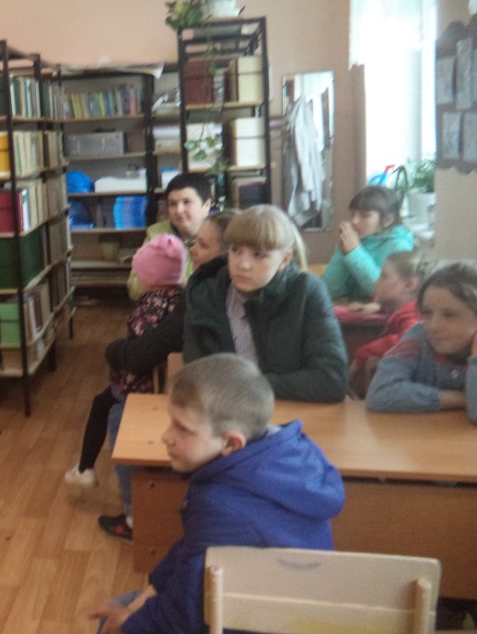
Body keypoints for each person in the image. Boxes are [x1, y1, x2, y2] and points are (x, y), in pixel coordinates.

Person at [59, 354, 345, 634]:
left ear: (231, 443)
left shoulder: (223, 503)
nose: (166, 436)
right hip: (263, 633)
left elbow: (187, 617)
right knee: (122, 610)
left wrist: (129, 621)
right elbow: (191, 552)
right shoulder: (275, 454)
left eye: (182, 429)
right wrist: (147, 597)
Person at [87, 212, 239, 542]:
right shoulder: (192, 291)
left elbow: (146, 351)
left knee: (119, 414)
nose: (193, 251)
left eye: (202, 245)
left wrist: (113, 351)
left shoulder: (199, 294)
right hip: (200, 386)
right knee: (111, 405)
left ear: (231, 253)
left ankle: (136, 516)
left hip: (206, 395)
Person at [183, 204, 348, 403]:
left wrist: (249, 386)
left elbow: (331, 380)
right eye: (235, 250)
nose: (243, 264)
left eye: (258, 255)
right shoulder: (204, 295)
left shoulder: (307, 291)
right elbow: (196, 379)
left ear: (284, 260)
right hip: (224, 412)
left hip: (292, 411)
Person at [64, 233, 190, 489]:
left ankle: (86, 470)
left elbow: (141, 353)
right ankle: (85, 468)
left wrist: (117, 357)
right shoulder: (178, 299)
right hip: (162, 379)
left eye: (137, 273)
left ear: (150, 278)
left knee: (103, 406)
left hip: (142, 383)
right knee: (101, 403)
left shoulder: (151, 306)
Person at [366, 261, 477, 421]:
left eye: (449, 315)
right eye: (427, 313)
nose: (433, 326)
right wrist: (461, 398)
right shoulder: (418, 337)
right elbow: (380, 394)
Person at [346, 251, 430, 397]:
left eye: (384, 276)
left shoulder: (413, 313)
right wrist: (379, 306)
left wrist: (364, 352)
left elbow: (408, 340)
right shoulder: (406, 309)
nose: (376, 282)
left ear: (409, 285)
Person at [126, 172, 213, 300]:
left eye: (186, 202)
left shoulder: (220, 235)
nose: (178, 210)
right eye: (172, 204)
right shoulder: (157, 235)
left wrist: (165, 282)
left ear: (206, 205)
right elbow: (133, 287)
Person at [321, 185, 414, 302]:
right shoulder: (358, 238)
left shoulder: (399, 246)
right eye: (352, 214)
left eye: (364, 215)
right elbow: (328, 290)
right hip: (353, 306)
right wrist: (342, 250)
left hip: (382, 311)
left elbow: (382, 294)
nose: (354, 221)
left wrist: (354, 252)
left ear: (387, 220)